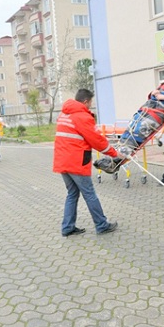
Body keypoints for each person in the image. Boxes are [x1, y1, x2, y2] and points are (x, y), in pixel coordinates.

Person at [94, 64, 164, 174]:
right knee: (128, 132)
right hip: (146, 109)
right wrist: (153, 93)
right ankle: (109, 158)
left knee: (136, 135)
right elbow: (151, 96)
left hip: (156, 115)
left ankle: (115, 162)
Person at [53, 89, 120, 236]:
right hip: (76, 162)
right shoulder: (82, 116)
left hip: (62, 160)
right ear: (85, 101)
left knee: (72, 194)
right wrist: (114, 153)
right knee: (89, 194)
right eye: (90, 102)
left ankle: (67, 227)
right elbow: (96, 140)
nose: (90, 105)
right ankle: (102, 225)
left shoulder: (64, 113)